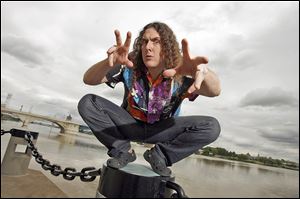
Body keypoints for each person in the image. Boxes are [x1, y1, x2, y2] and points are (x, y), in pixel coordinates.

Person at [78, 22, 221, 176]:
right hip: (129, 124)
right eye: (145, 41)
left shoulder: (180, 71)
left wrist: (198, 71)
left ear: (167, 47)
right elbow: (89, 79)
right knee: (88, 102)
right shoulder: (130, 64)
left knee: (211, 126)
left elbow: (215, 91)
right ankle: (123, 150)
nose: (148, 47)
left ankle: (160, 155)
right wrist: (109, 62)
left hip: (162, 130)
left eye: (156, 41)